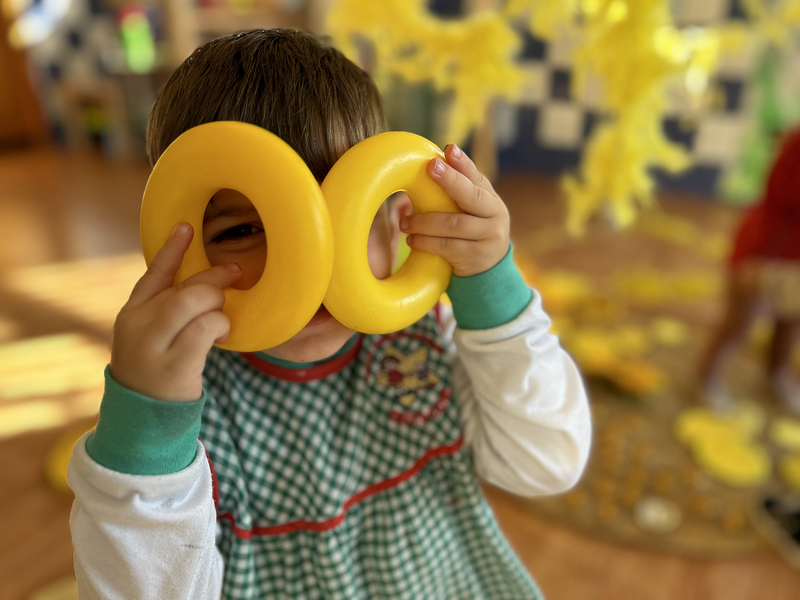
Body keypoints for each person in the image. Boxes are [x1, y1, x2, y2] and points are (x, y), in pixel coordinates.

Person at [68, 29, 591, 599]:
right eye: (243, 229)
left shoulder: (426, 336)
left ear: (396, 223)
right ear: (180, 246)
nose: (307, 264)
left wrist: (492, 296)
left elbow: (549, 463)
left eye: (347, 215)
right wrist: (146, 433)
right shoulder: (187, 414)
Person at [700, 128, 800, 413]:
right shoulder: (797, 145)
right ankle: (707, 379)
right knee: (740, 323)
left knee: (791, 324)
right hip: (768, 251)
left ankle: (777, 375)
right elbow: (779, 201)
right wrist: (760, 260)